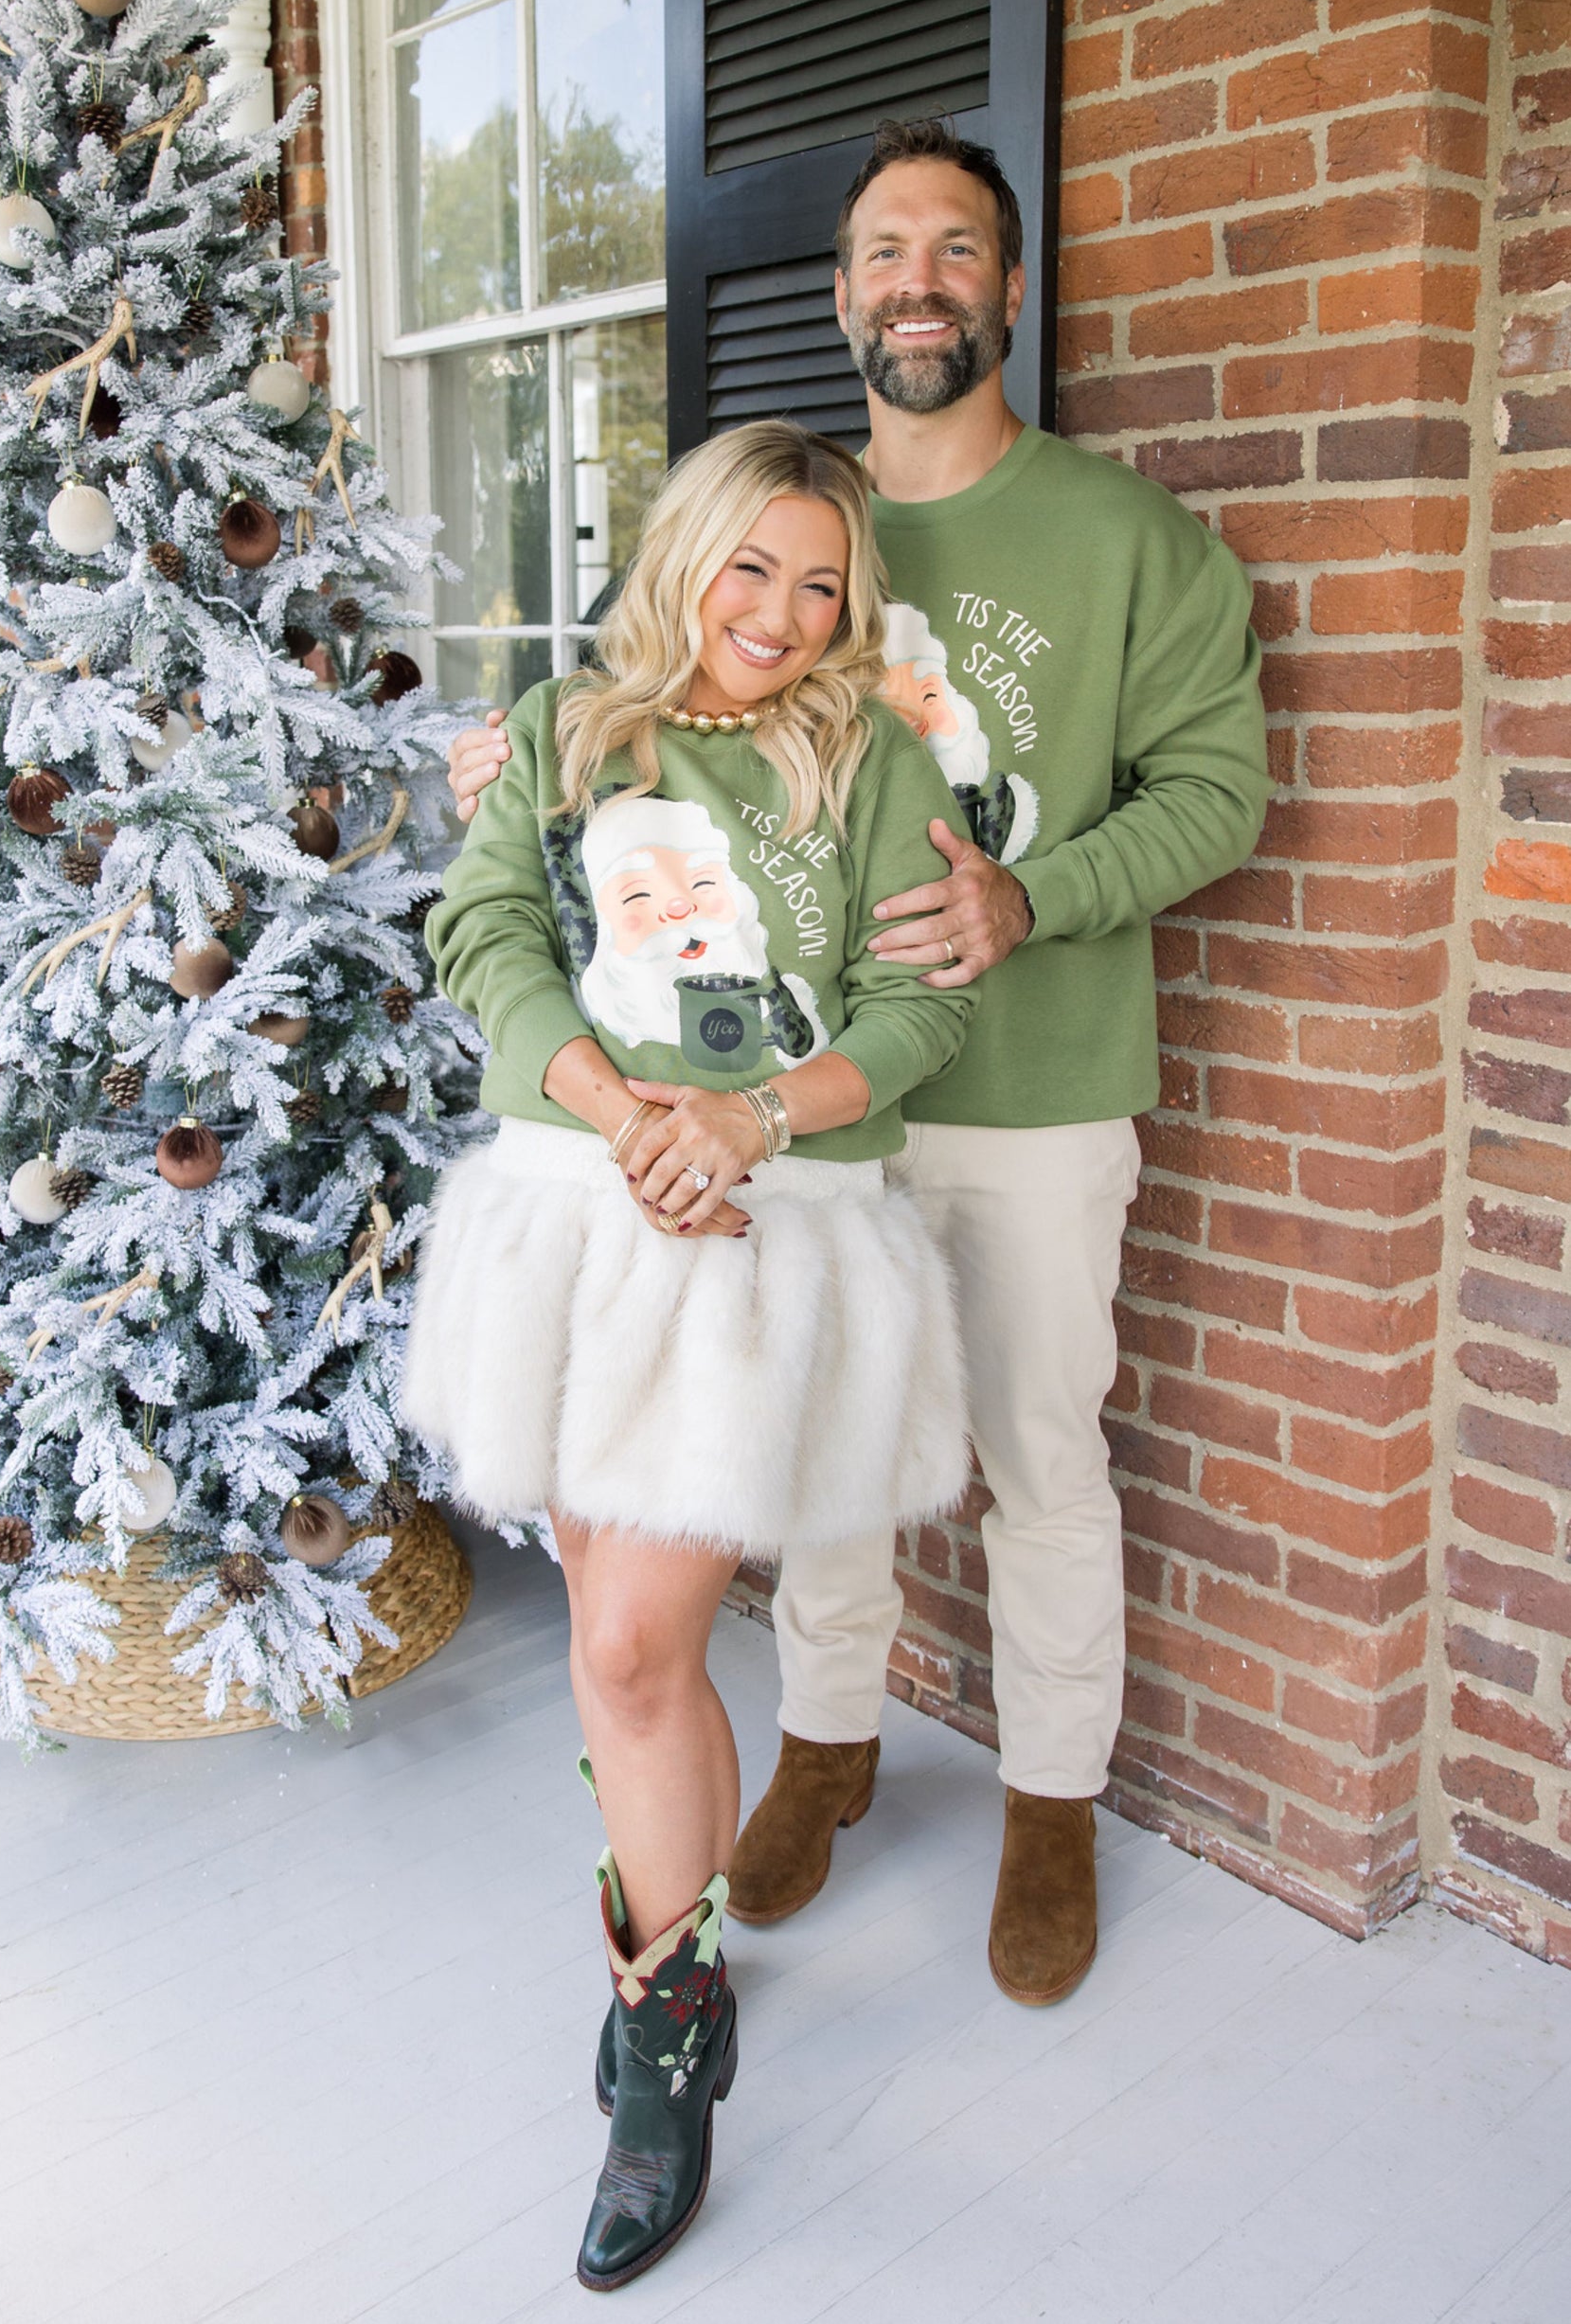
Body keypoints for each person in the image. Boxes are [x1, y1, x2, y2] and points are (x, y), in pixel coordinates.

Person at [445, 116, 1270, 2014]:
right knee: (811, 1467)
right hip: (806, 1131)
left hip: (1033, 1082)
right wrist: (508, 759)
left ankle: (1050, 1797)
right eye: (884, 250)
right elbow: (634, 740)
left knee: (1040, 1448)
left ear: (1007, 286)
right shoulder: (791, 519)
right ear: (840, 297)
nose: (918, 279)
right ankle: (826, 1746)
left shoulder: (1125, 537)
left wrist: (1029, 896)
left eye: (956, 248)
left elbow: (1224, 789)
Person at [405, 420, 976, 2291]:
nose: (783, 613)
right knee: (603, 1628)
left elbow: (912, 1012)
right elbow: (482, 927)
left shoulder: (869, 758)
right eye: (754, 566)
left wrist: (739, 1124)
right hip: (573, 1210)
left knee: (639, 1638)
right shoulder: (575, 736)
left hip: (757, 1231)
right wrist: (616, 1095)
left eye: (821, 583)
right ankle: (686, 1953)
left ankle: (659, 2047)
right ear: (687, 555)